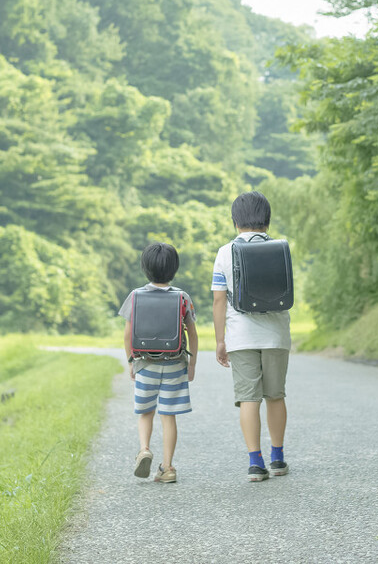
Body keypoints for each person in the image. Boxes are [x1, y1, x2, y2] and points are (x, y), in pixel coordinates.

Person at [211, 190, 291, 482]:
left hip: (240, 336)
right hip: (276, 335)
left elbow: (219, 301)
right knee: (275, 396)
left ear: (235, 221)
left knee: (248, 399)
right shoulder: (282, 248)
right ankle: (278, 457)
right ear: (267, 220)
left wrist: (220, 340)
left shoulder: (225, 252)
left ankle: (255, 463)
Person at [119, 241, 198, 483]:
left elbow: (127, 334)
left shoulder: (135, 296)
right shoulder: (182, 297)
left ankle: (144, 449)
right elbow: (193, 334)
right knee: (168, 416)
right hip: (174, 364)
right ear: (174, 269)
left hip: (145, 364)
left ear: (145, 268)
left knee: (145, 412)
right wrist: (191, 365)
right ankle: (168, 468)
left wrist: (131, 361)